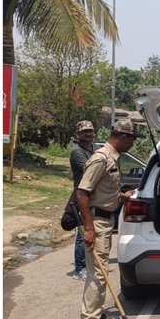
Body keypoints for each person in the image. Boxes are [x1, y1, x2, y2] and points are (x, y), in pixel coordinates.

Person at [75, 118, 139, 319]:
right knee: (98, 274)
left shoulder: (112, 157)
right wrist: (89, 228)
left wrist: (122, 196)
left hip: (105, 220)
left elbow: (102, 190)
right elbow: (82, 193)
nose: (132, 144)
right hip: (97, 222)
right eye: (131, 140)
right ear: (123, 137)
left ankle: (96, 314)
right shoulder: (101, 159)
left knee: (101, 272)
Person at [68, 119, 97, 279]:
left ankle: (90, 264)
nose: (88, 134)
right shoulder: (77, 151)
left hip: (93, 195)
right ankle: (80, 268)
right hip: (81, 195)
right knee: (82, 232)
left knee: (91, 230)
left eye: (90, 131)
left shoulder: (94, 148)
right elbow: (91, 170)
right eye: (84, 131)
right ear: (78, 134)